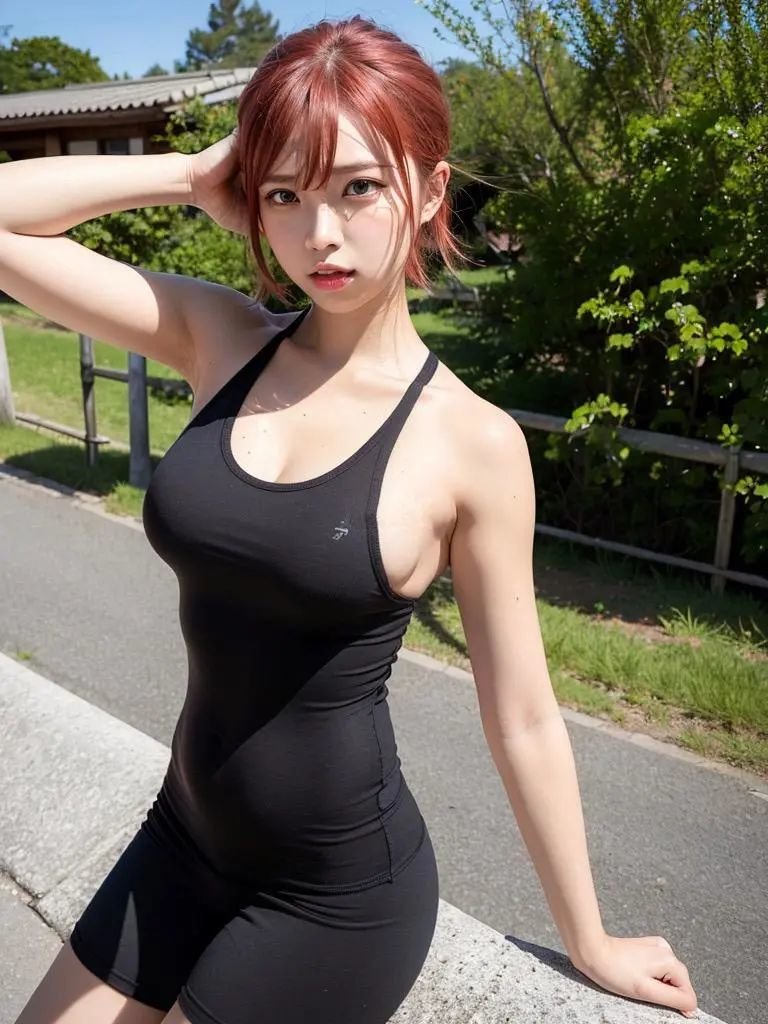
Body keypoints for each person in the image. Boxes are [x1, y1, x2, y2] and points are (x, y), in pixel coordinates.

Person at [1, 15, 698, 1024]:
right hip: (180, 841)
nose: (318, 234)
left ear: (430, 190)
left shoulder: (473, 441)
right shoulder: (221, 339)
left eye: (357, 187)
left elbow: (523, 712)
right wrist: (189, 175)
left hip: (332, 902)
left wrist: (588, 937)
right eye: (283, 194)